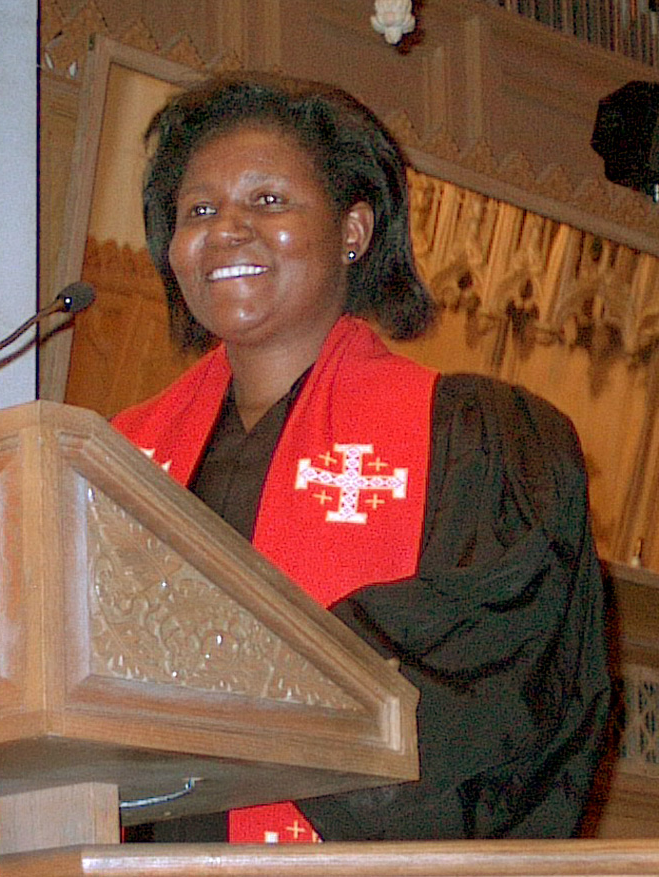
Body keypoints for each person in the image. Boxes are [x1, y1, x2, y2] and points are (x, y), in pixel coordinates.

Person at [110, 74, 611, 842]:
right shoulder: (115, 457)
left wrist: (241, 687)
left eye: (269, 200)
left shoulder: (478, 440)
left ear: (353, 230)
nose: (226, 229)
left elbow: (501, 691)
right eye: (198, 210)